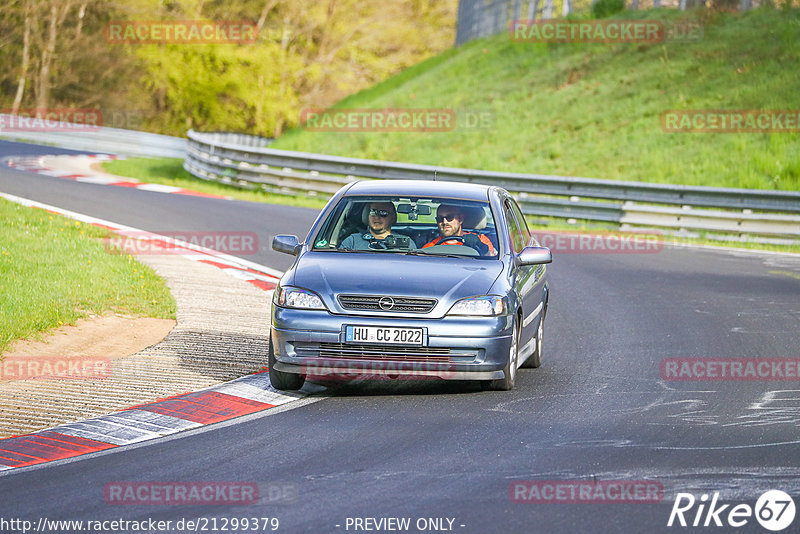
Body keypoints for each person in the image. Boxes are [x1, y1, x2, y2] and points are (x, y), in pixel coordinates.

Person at [422, 204, 497, 256]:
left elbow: (493, 259)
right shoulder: (431, 247)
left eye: (449, 217)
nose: (444, 222)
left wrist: (481, 246)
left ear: (460, 219)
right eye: (440, 219)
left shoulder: (481, 239)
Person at [339, 201, 417, 251]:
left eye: (383, 213)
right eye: (373, 212)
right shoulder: (352, 241)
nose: (377, 217)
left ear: (392, 217)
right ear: (367, 215)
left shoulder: (406, 242)